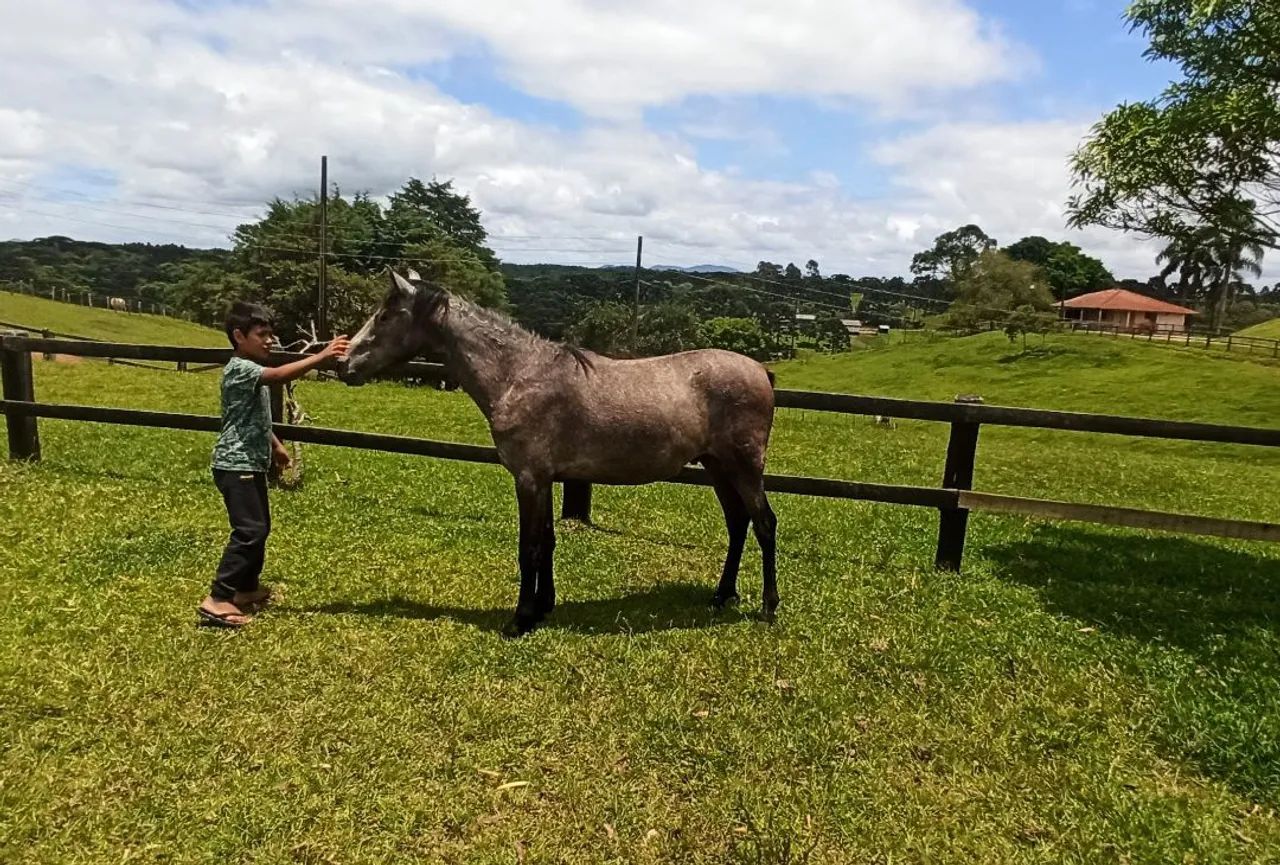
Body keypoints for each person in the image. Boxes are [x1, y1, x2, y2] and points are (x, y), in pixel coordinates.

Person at [197, 302, 349, 628]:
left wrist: (277, 446)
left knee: (259, 528)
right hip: (235, 463)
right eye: (261, 334)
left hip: (250, 462)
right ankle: (218, 598)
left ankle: (246, 589)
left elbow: (252, 419)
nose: (270, 340)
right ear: (239, 336)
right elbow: (280, 375)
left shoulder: (251, 369)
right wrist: (322, 356)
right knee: (250, 530)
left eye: (271, 333)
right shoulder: (240, 368)